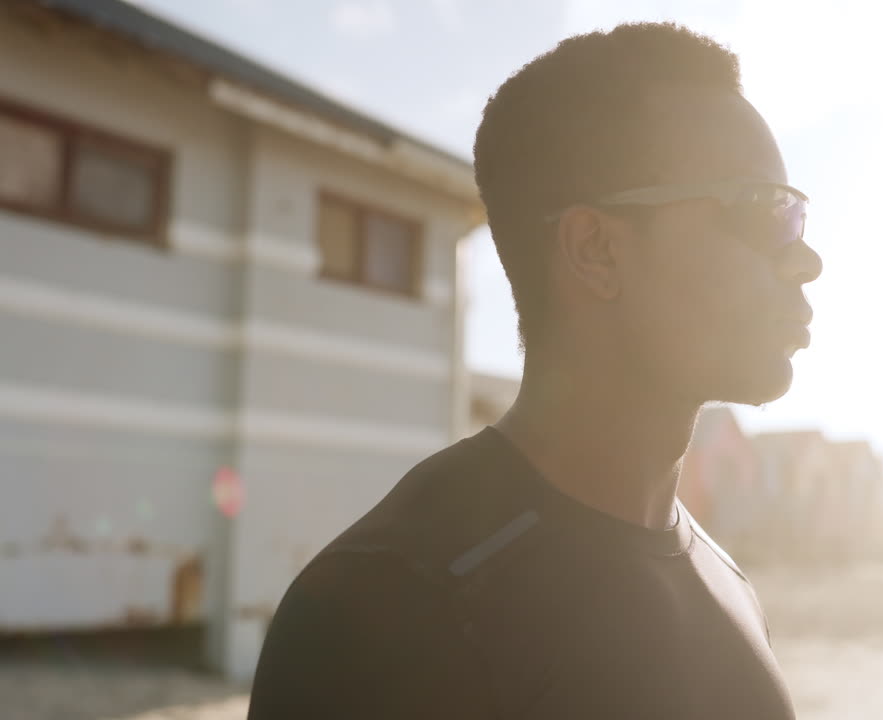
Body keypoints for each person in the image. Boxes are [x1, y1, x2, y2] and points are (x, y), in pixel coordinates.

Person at [246, 21, 821, 719]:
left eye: (796, 215)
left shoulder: (724, 580)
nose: (805, 259)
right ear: (596, 250)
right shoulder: (389, 609)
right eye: (763, 209)